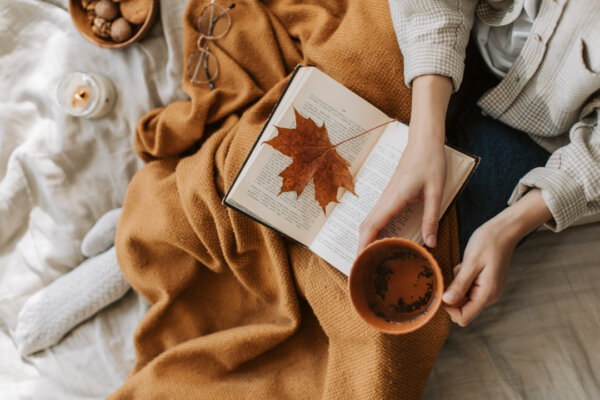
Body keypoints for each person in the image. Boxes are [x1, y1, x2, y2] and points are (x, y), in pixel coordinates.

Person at [358, 0, 600, 327]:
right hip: (452, 31)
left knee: (437, 265)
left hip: (546, 128)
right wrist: (423, 137)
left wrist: (508, 228)